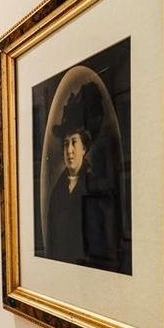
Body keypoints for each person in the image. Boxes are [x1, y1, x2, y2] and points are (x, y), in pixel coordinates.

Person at [45, 81, 120, 269]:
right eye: (65, 144)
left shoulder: (98, 187)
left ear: (84, 148)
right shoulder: (57, 190)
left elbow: (105, 245)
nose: (69, 150)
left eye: (74, 143)